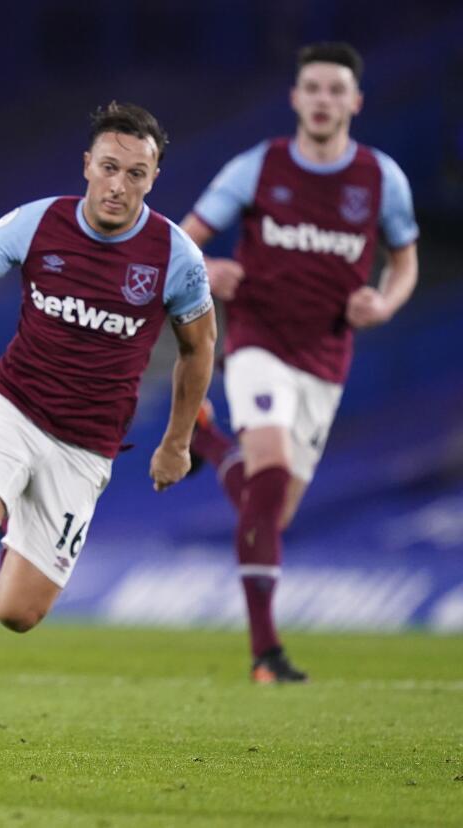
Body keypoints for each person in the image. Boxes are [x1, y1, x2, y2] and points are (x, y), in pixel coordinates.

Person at [0, 102, 216, 735]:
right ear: (87, 164)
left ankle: (15, 520)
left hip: (86, 446)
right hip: (12, 405)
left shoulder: (175, 256)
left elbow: (200, 350)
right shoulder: (37, 223)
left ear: (153, 178)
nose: (119, 185)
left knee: (18, 612)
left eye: (137, 174)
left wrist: (177, 442)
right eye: (110, 167)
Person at [180, 42, 419, 683]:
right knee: (273, 472)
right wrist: (211, 268)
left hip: (327, 356)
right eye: (312, 87)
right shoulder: (258, 168)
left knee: (272, 510)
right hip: (258, 341)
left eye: (335, 90)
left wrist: (387, 302)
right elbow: (182, 241)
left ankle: (206, 438)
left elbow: (405, 260)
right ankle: (266, 652)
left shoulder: (380, 178)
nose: (322, 99)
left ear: (355, 102)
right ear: (295, 97)